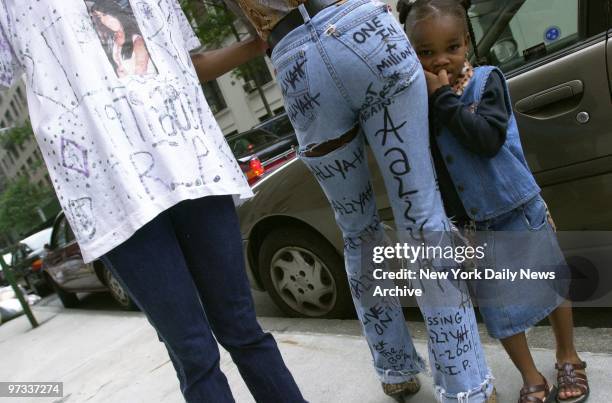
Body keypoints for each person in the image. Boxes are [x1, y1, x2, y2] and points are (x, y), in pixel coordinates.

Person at [0, 1, 305, 402]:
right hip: (112, 197)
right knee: (194, 353)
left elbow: (188, 62)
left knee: (243, 328)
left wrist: (258, 43)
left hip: (194, 170)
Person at [218, 0, 496, 401]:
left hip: (296, 57)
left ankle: (394, 367)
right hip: (366, 31)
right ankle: (465, 383)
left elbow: (254, 25)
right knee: (422, 217)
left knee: (357, 230)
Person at [399, 0, 589, 402]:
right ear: (410, 54)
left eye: (452, 46)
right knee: (499, 310)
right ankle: (530, 375)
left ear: (467, 43)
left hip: (517, 207)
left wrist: (443, 100)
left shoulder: (487, 81)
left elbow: (485, 140)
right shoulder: (420, 102)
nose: (441, 60)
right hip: (474, 227)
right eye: (426, 52)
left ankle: (568, 356)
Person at [87, 0, 157, 77]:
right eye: (99, 17)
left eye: (104, 14)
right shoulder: (113, 38)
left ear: (115, 12)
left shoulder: (137, 39)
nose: (103, 20)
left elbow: (141, 69)